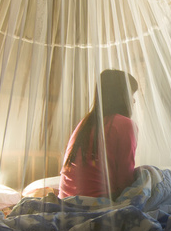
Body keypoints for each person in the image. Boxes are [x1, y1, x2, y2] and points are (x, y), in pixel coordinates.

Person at [59, 69, 139, 199]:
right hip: (99, 202)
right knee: (163, 180)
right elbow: (124, 180)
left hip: (66, 200)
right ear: (122, 95)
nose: (134, 101)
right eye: (131, 94)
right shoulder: (125, 124)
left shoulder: (85, 123)